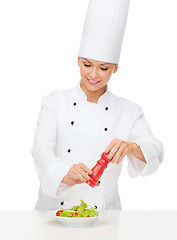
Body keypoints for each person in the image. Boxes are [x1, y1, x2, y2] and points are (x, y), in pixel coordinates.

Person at [31, 0, 164, 210]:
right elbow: (40, 151)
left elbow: (155, 150)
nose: (93, 75)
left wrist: (131, 147)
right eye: (87, 65)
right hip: (53, 212)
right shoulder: (54, 102)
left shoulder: (129, 110)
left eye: (103, 68)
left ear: (115, 68)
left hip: (105, 215)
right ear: (77, 60)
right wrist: (64, 174)